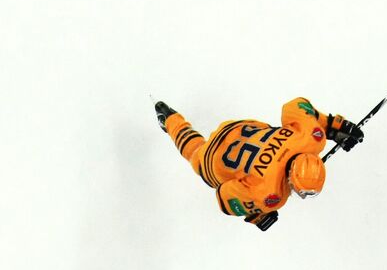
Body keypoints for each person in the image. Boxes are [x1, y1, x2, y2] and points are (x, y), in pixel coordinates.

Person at [154, 98, 363, 230]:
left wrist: (333, 125)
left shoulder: (312, 138)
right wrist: (256, 213)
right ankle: (172, 121)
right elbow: (223, 197)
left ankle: (171, 117)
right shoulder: (270, 195)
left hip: (238, 128)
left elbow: (295, 105)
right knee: (196, 156)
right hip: (213, 157)